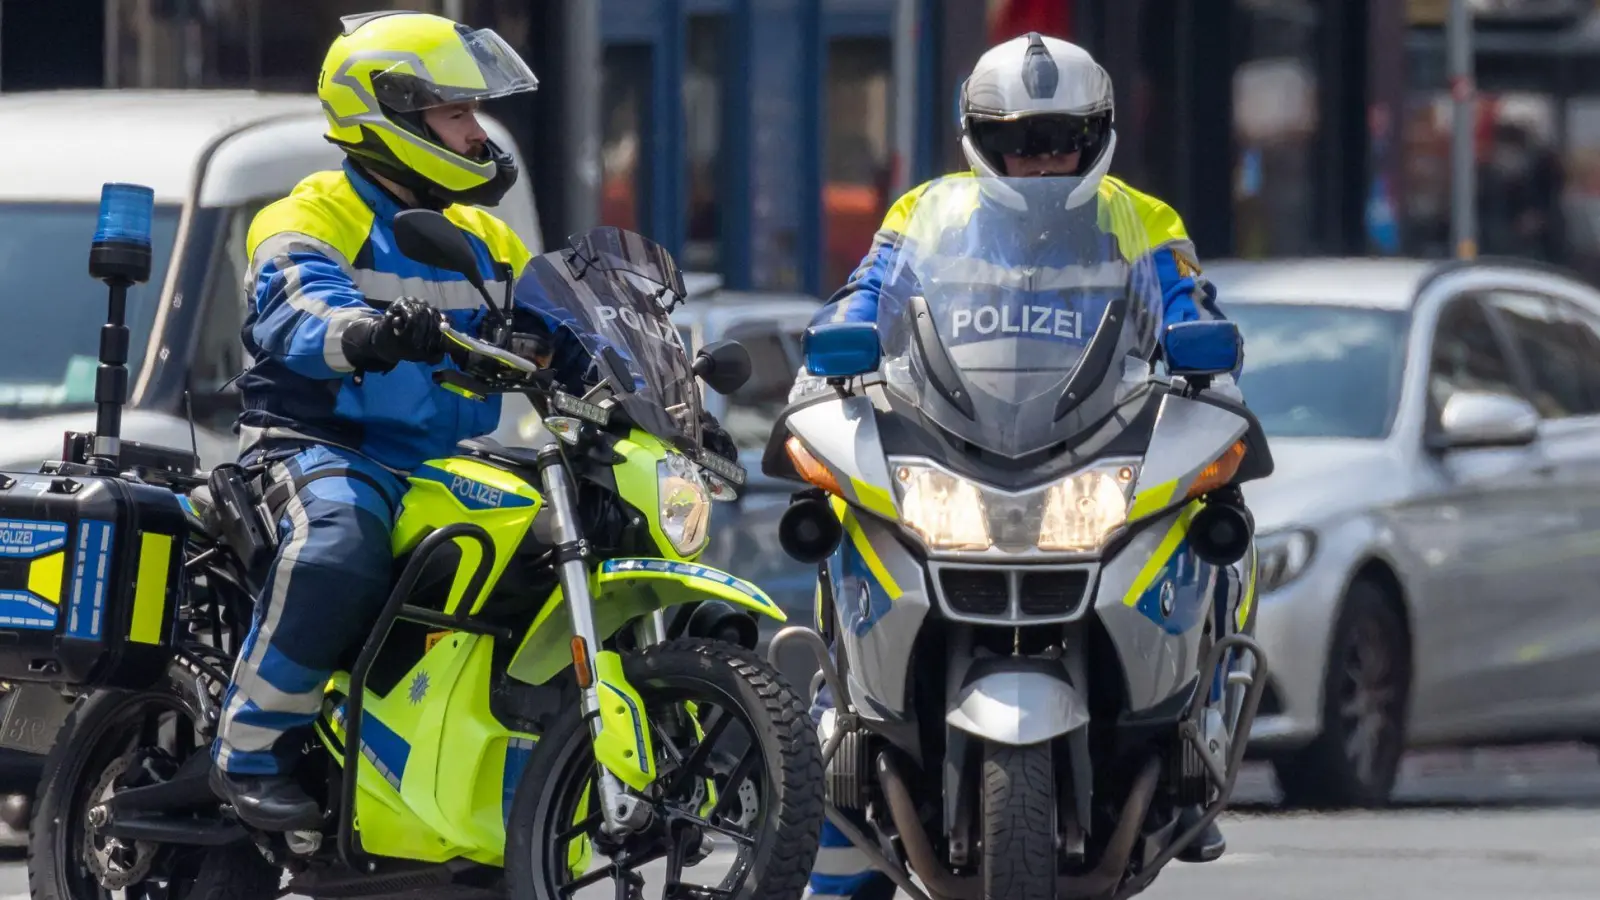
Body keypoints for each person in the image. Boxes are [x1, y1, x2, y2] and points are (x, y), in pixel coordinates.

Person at [208, 11, 732, 830]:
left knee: (564, 551)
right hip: (320, 449)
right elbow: (296, 309)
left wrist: (669, 409)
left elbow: (577, 335)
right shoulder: (309, 216)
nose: (475, 131)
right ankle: (250, 747)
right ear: (389, 115)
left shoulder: (484, 240)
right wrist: (367, 332)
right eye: (455, 114)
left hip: (441, 464)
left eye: (473, 112)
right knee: (338, 548)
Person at [799, 33, 1236, 900]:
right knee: (845, 524)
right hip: (958, 446)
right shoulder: (925, 213)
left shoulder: (1143, 218)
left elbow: (1187, 298)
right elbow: (868, 292)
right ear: (982, 140)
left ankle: (1201, 704)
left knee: (1218, 512)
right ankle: (842, 741)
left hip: (1091, 444)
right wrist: (832, 346)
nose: (1043, 159)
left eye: (1064, 139)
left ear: (1098, 133)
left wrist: (1201, 343)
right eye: (1021, 142)